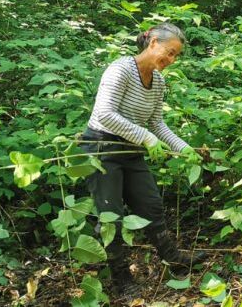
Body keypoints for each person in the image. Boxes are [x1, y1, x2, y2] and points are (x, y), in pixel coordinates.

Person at [79, 22, 207, 295]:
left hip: (131, 150)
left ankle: (173, 259)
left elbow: (157, 123)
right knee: (110, 218)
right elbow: (104, 114)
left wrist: (183, 148)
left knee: (151, 205)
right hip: (102, 149)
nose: (170, 60)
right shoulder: (121, 69)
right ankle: (122, 279)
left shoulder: (158, 80)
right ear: (152, 43)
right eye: (169, 52)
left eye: (175, 56)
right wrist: (147, 139)